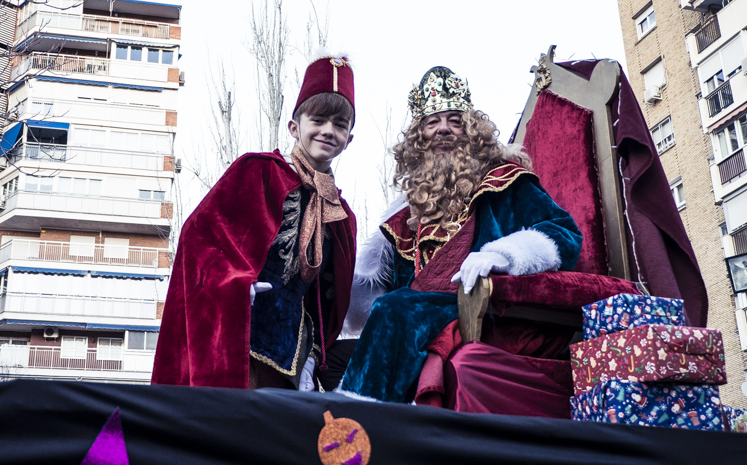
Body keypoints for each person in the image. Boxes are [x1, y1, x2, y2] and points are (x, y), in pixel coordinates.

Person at [338, 66, 582, 403]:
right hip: (419, 311)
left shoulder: (506, 182)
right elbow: (383, 289)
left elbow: (564, 233)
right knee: (336, 355)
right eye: (432, 122)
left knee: (396, 308)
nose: (443, 129)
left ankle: (364, 420)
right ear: (418, 138)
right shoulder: (409, 213)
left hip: (487, 308)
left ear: (471, 130)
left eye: (454, 120)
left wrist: (501, 255)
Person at [152, 54, 358, 390]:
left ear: (349, 138)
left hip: (293, 366)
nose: (328, 131)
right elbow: (198, 240)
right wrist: (232, 285)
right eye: (318, 120)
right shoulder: (258, 172)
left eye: (339, 124)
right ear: (294, 127)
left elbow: (326, 302)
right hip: (237, 344)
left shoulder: (341, 215)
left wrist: (313, 357)